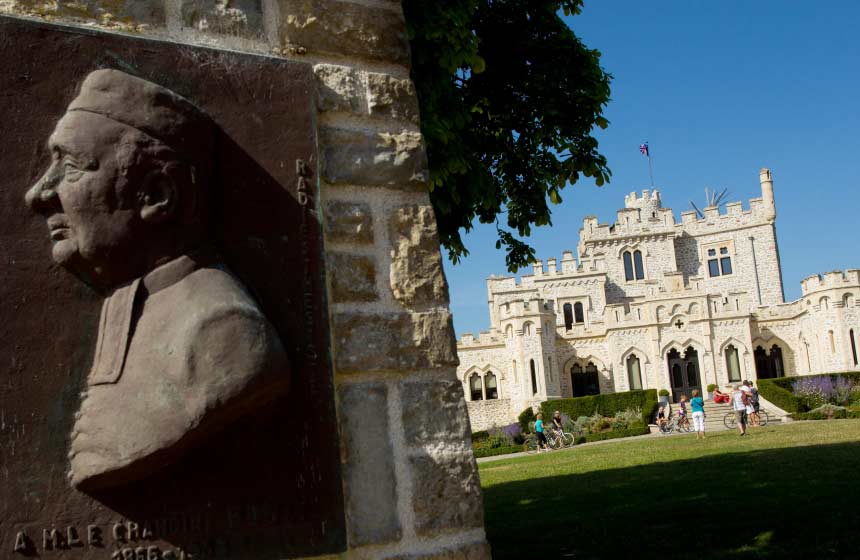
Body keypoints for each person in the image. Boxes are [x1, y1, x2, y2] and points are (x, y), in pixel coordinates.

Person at [25, 69, 290, 491]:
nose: (38, 193)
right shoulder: (128, 300)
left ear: (156, 196)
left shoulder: (223, 333)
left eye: (71, 168)